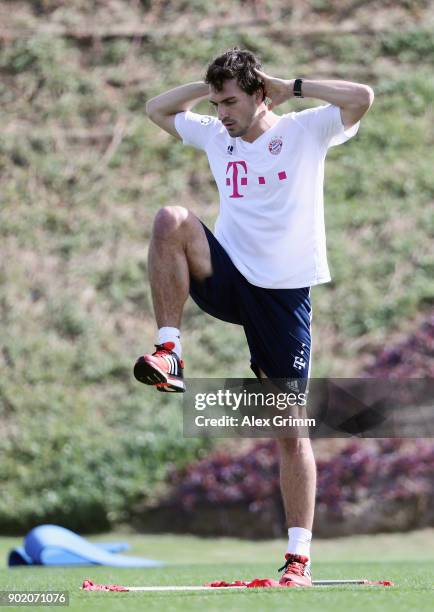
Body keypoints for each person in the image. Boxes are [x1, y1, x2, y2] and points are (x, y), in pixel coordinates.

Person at [134, 48, 374, 586]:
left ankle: (298, 560)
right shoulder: (217, 133)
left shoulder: (307, 130)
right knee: (171, 218)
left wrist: (295, 84)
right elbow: (156, 109)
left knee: (289, 429)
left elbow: (363, 98)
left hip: (282, 294)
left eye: (231, 101)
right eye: (216, 103)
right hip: (229, 275)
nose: (221, 113)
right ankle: (169, 350)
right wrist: (207, 88)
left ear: (261, 94)